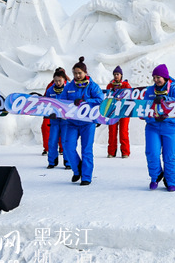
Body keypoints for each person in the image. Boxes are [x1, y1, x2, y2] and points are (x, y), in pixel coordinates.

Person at [62, 57, 104, 186]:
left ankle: (86, 176)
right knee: (68, 147)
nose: (77, 75)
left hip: (87, 122)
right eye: (75, 73)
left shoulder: (92, 86)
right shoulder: (69, 86)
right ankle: (77, 170)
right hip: (72, 122)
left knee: (86, 149)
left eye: (79, 73)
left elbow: (100, 99)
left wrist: (85, 102)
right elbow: (61, 101)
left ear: (85, 73)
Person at [143, 64, 175, 191]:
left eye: (158, 77)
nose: (156, 80)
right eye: (154, 77)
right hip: (153, 126)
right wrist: (153, 117)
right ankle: (155, 176)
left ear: (165, 77)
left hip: (171, 127)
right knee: (152, 152)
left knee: (169, 155)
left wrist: (165, 99)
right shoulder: (150, 90)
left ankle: (171, 180)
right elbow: (144, 108)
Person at [44, 68, 70, 169]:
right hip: (54, 120)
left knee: (65, 140)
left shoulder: (69, 89)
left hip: (65, 120)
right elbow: (46, 103)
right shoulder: (50, 90)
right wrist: (49, 113)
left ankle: (68, 162)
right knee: (52, 140)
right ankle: (52, 161)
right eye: (56, 81)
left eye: (60, 80)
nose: (58, 83)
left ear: (64, 80)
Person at [107, 66, 132, 158]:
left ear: (121, 75)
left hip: (124, 111)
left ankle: (125, 152)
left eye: (117, 74)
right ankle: (111, 152)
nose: (116, 76)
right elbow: (107, 97)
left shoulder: (126, 85)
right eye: (114, 74)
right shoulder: (110, 86)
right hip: (113, 111)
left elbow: (130, 96)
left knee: (124, 131)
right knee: (112, 131)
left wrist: (121, 99)